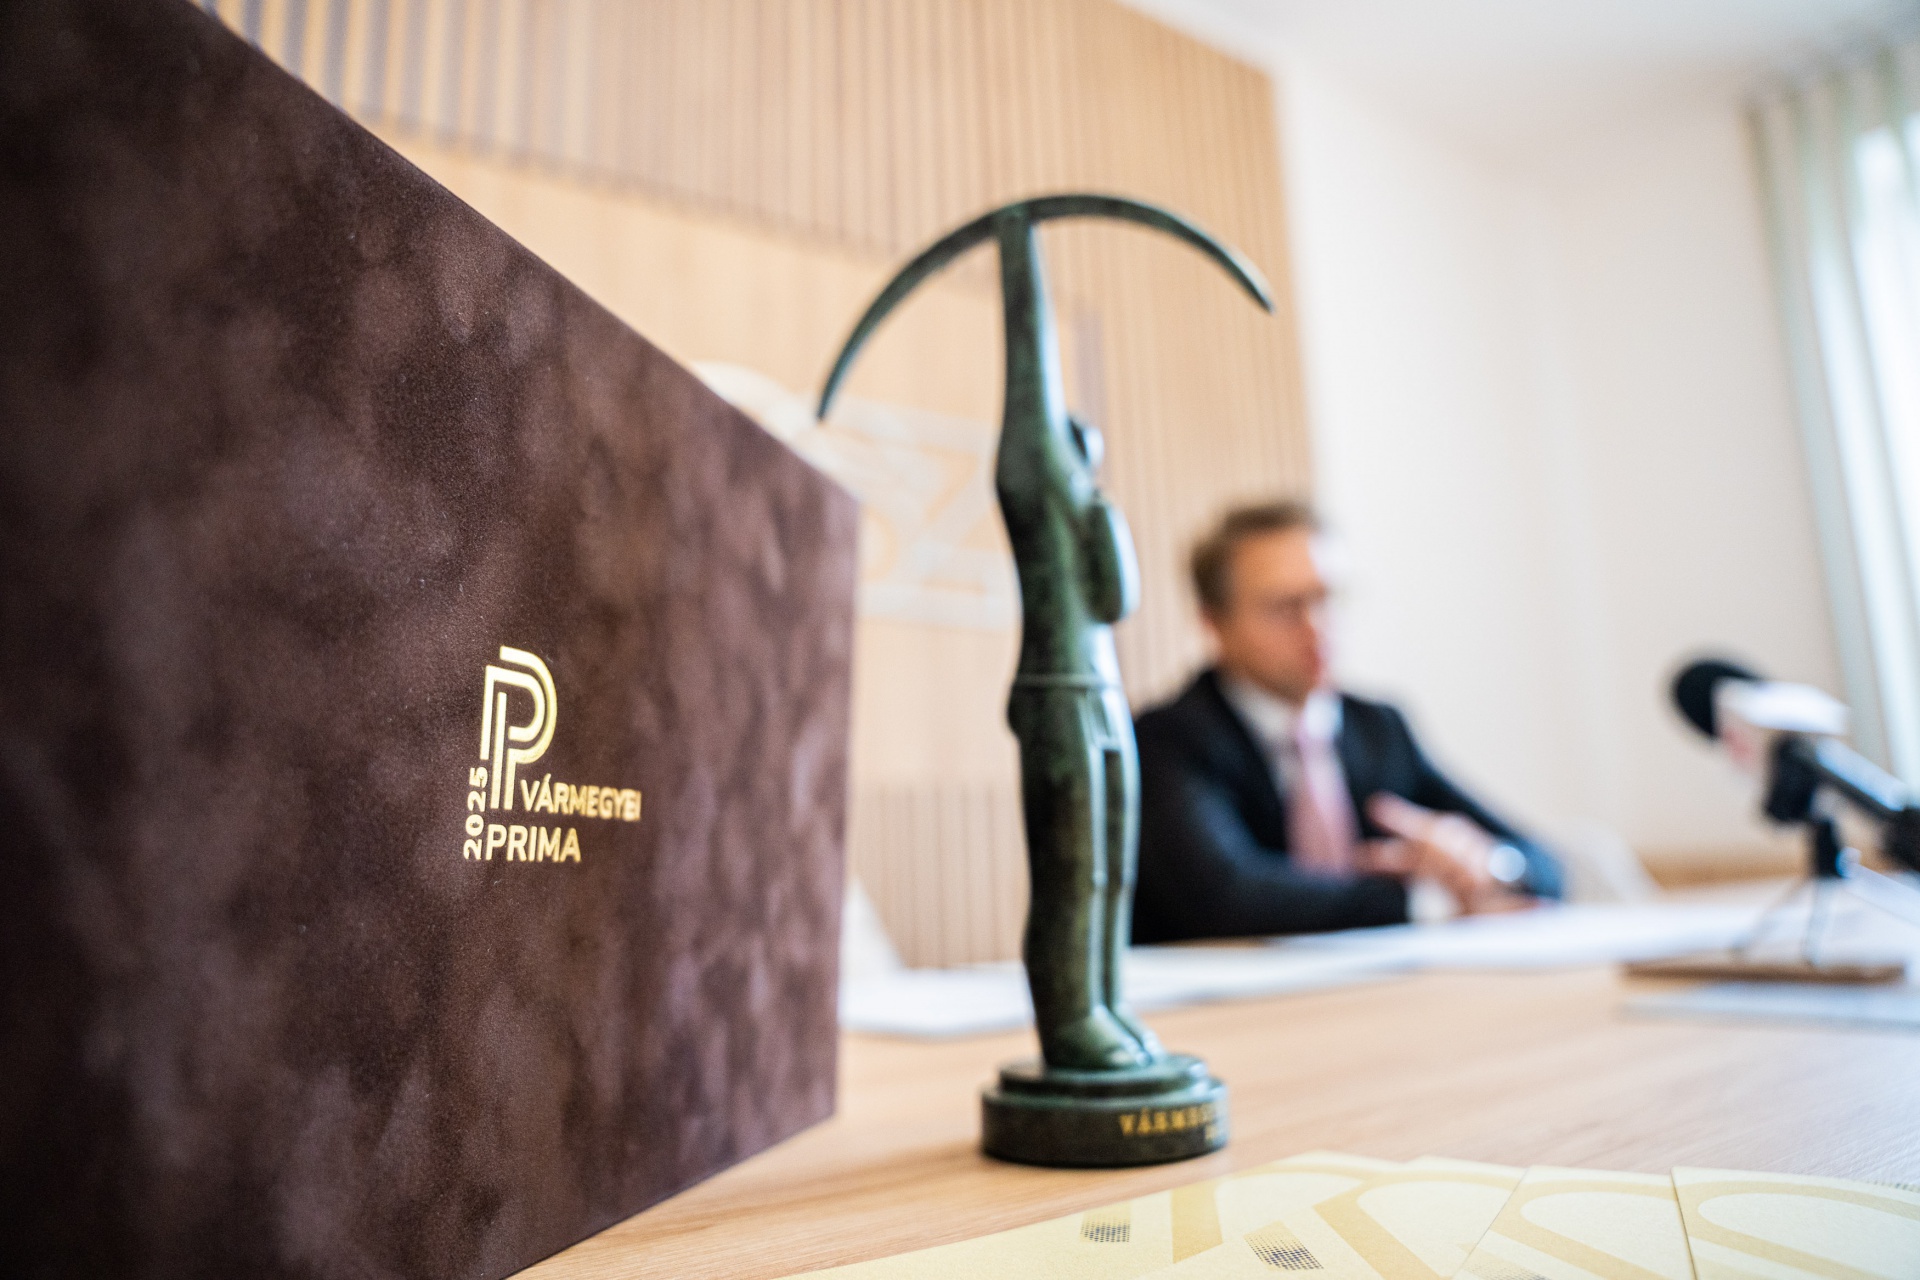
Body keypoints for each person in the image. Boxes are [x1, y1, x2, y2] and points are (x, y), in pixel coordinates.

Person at [1132, 500, 1562, 942]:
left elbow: (1545, 864)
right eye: (1285, 607)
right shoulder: (1167, 740)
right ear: (1214, 622)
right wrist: (1426, 900)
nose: (1317, 626)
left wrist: (1488, 867)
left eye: (1328, 597)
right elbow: (1226, 898)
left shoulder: (1378, 729)